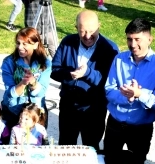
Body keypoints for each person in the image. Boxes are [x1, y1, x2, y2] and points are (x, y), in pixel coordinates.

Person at [104, 18, 155, 164]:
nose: (132, 44)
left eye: (137, 39)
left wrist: (139, 94)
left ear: (150, 39)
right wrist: (126, 97)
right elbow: (109, 90)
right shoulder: (119, 59)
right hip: (115, 125)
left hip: (140, 130)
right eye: (129, 39)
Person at [51, 10, 119, 151]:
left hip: (94, 109)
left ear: (99, 26)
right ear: (76, 28)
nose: (88, 36)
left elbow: (108, 82)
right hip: (68, 106)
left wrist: (87, 73)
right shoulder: (67, 42)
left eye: (91, 31)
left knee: (91, 148)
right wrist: (70, 74)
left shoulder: (110, 48)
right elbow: (54, 70)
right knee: (65, 147)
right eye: (82, 32)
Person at [1, 27, 51, 130]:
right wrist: (23, 83)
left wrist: (33, 83)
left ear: (36, 45)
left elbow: (41, 92)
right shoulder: (8, 62)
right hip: (13, 110)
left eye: (25, 44)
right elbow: (10, 93)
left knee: (37, 143)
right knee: (13, 143)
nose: (20, 47)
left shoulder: (45, 63)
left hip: (36, 112)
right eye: (18, 43)